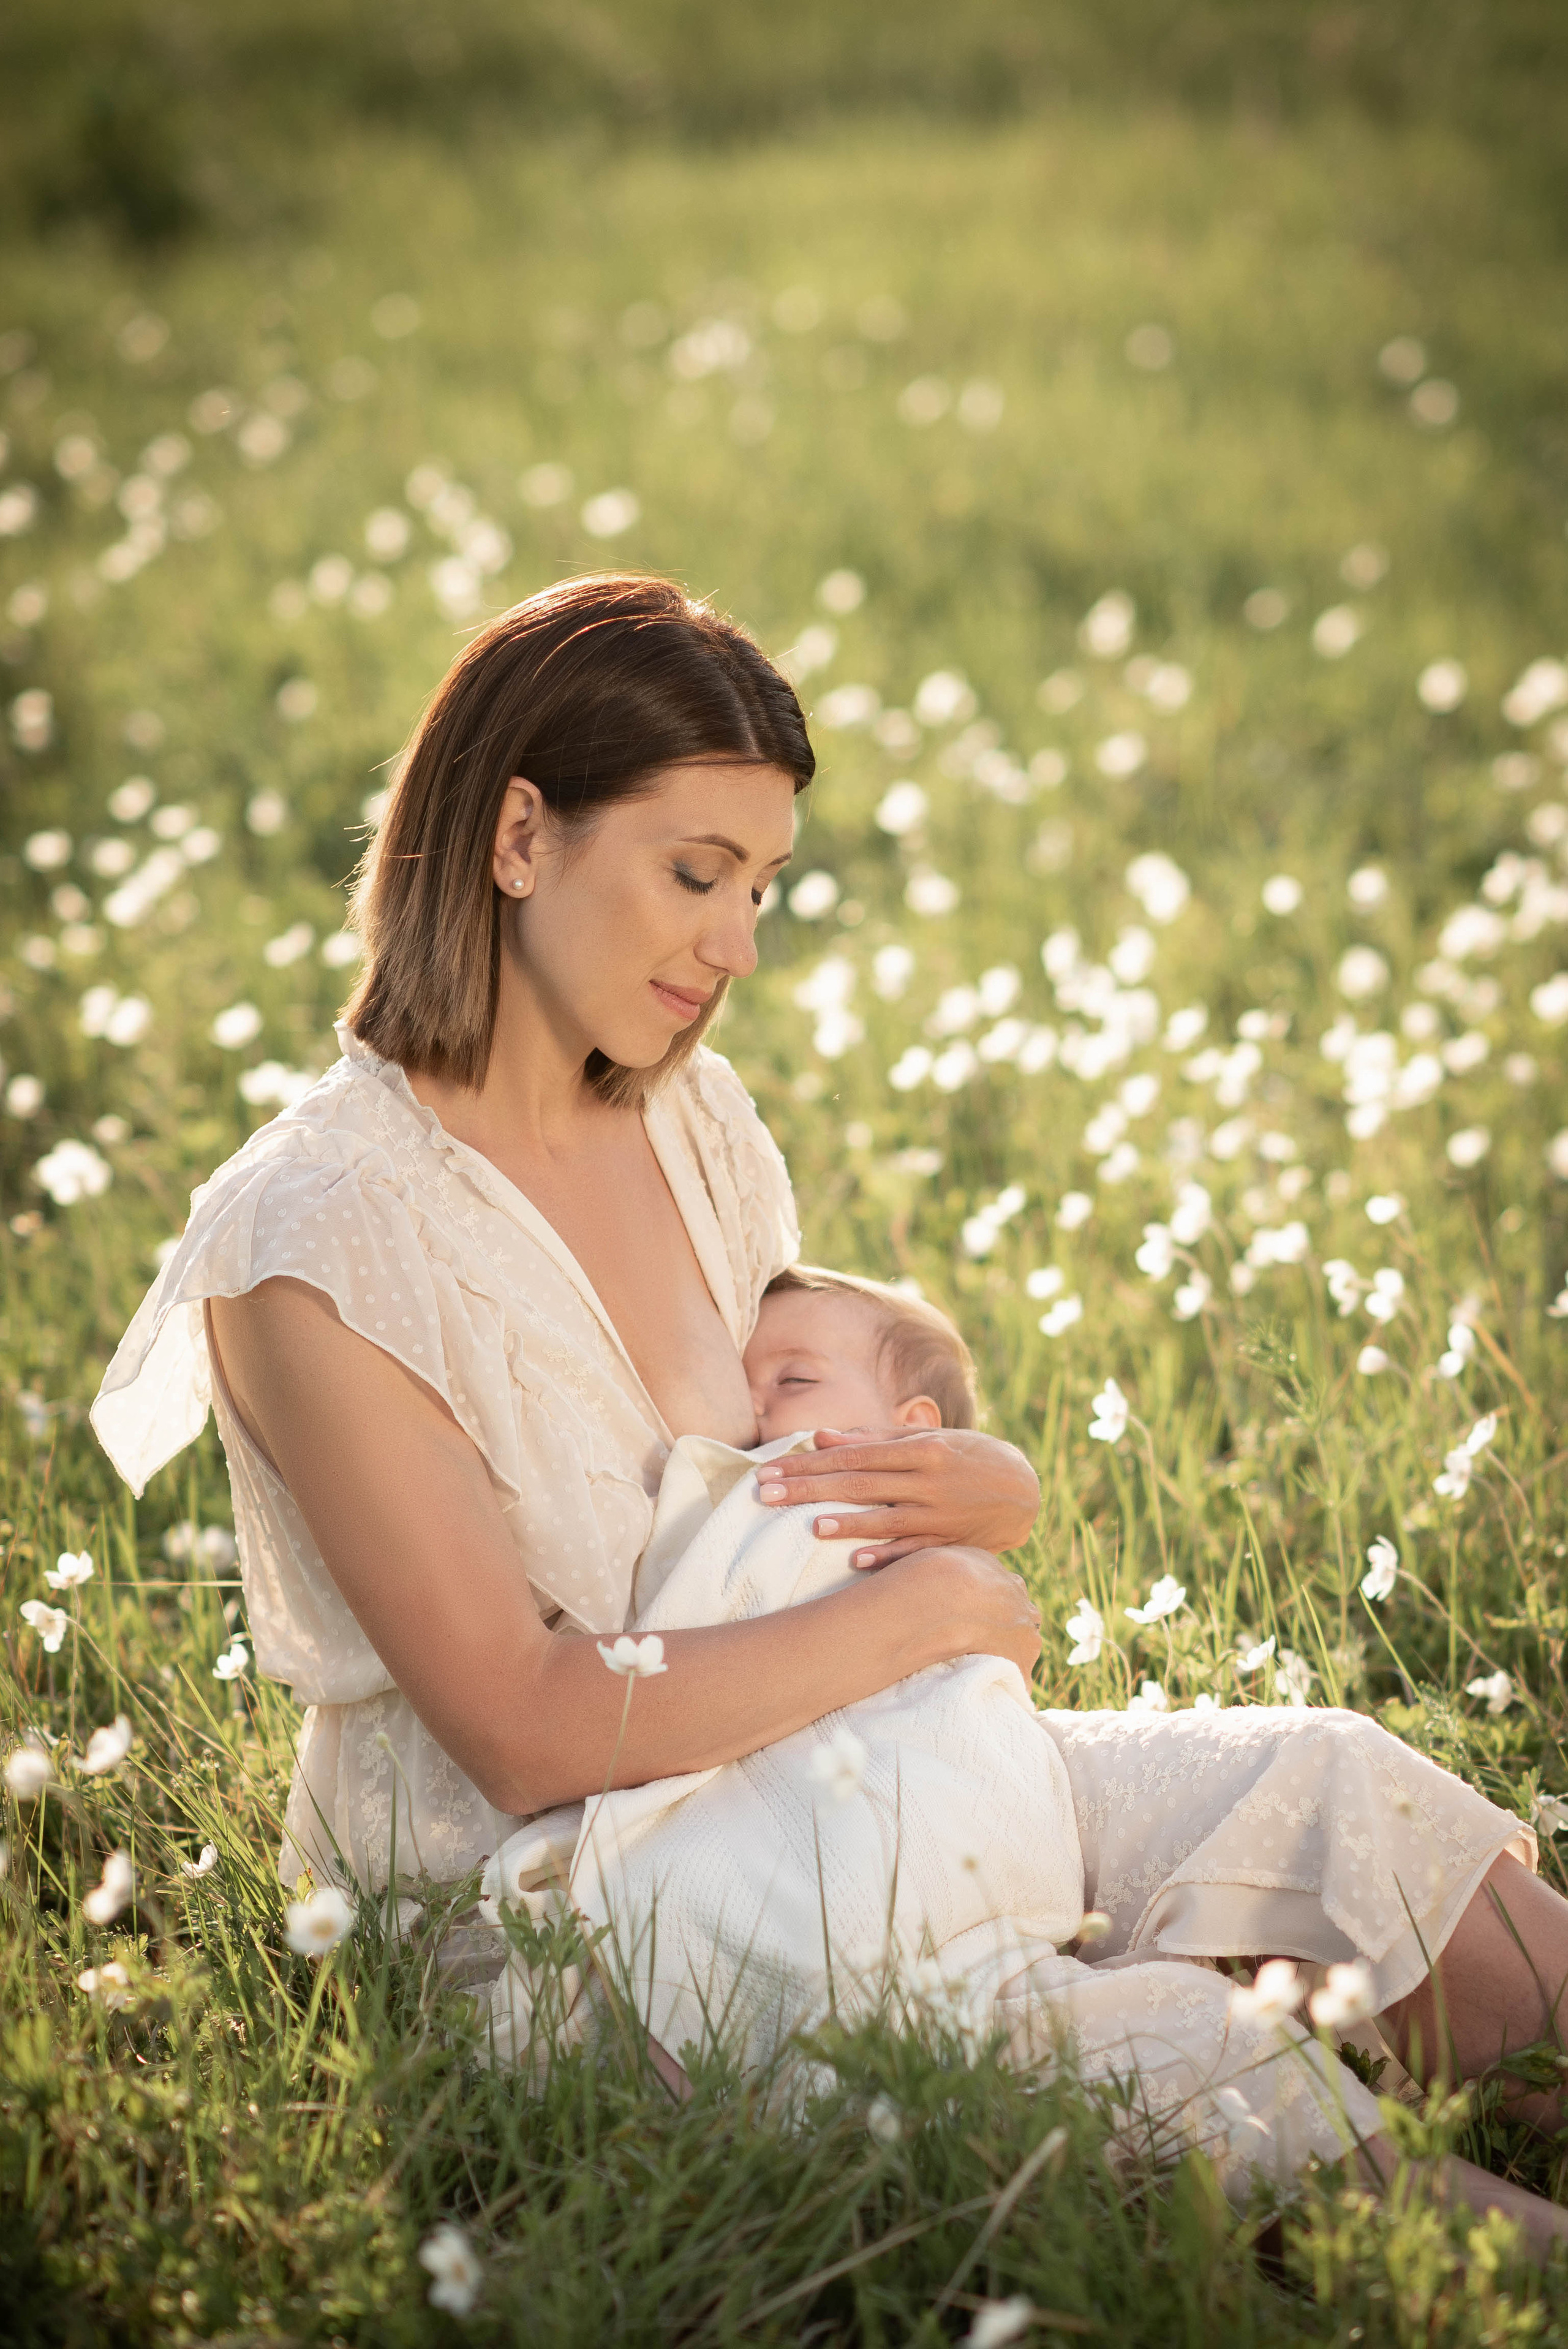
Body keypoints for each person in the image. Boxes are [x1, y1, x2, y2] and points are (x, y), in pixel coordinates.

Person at [91, 574, 1568, 2252]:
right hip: (583, 1925)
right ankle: (1485, 2266)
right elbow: (524, 1726)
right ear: (518, 836)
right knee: (1154, 2045)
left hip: (836, 1772)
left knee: (1321, 1778)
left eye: (765, 886)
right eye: (696, 875)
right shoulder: (318, 1239)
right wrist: (934, 1608)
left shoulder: (692, 1116)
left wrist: (975, 1493)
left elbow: (832, 1433)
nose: (739, 942)